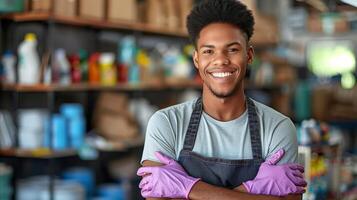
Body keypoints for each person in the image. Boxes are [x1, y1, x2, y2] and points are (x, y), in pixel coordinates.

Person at [137, 0, 307, 199]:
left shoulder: (278, 127)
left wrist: (186, 188)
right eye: (209, 51)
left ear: (249, 55)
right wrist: (255, 191)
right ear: (196, 59)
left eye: (233, 49)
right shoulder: (167, 123)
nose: (221, 60)